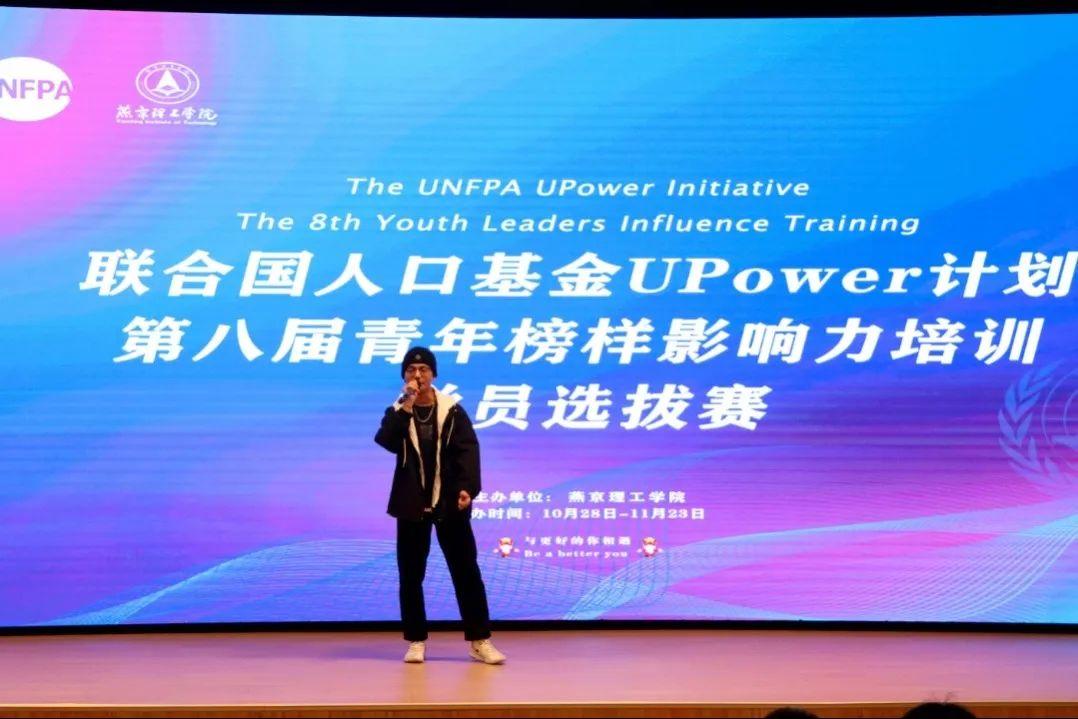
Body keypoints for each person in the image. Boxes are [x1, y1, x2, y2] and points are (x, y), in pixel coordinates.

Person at [374, 346, 506, 665]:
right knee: (410, 575)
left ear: (433, 374)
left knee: (466, 572)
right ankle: (416, 640)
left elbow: (468, 451)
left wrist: (468, 488)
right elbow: (386, 441)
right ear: (404, 375)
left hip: (449, 503)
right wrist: (406, 405)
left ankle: (480, 640)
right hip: (411, 504)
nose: (417, 375)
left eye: (423, 369)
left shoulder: (452, 410)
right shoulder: (398, 410)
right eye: (411, 370)